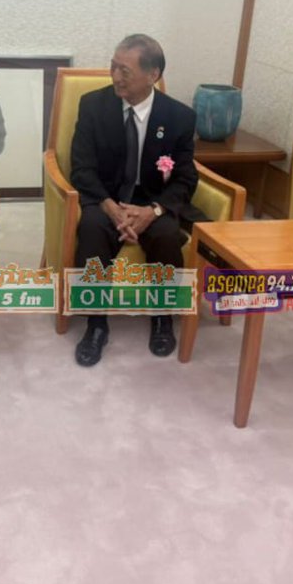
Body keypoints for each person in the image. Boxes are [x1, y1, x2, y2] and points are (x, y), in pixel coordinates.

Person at [68, 34, 200, 367]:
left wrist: (153, 211)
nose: (115, 77)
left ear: (152, 75)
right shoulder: (93, 105)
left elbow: (186, 178)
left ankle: (161, 317)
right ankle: (96, 324)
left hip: (152, 200)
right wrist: (111, 207)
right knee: (93, 231)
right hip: (105, 198)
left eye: (125, 71)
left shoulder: (179, 117)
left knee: (168, 236)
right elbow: (81, 168)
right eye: (113, 67)